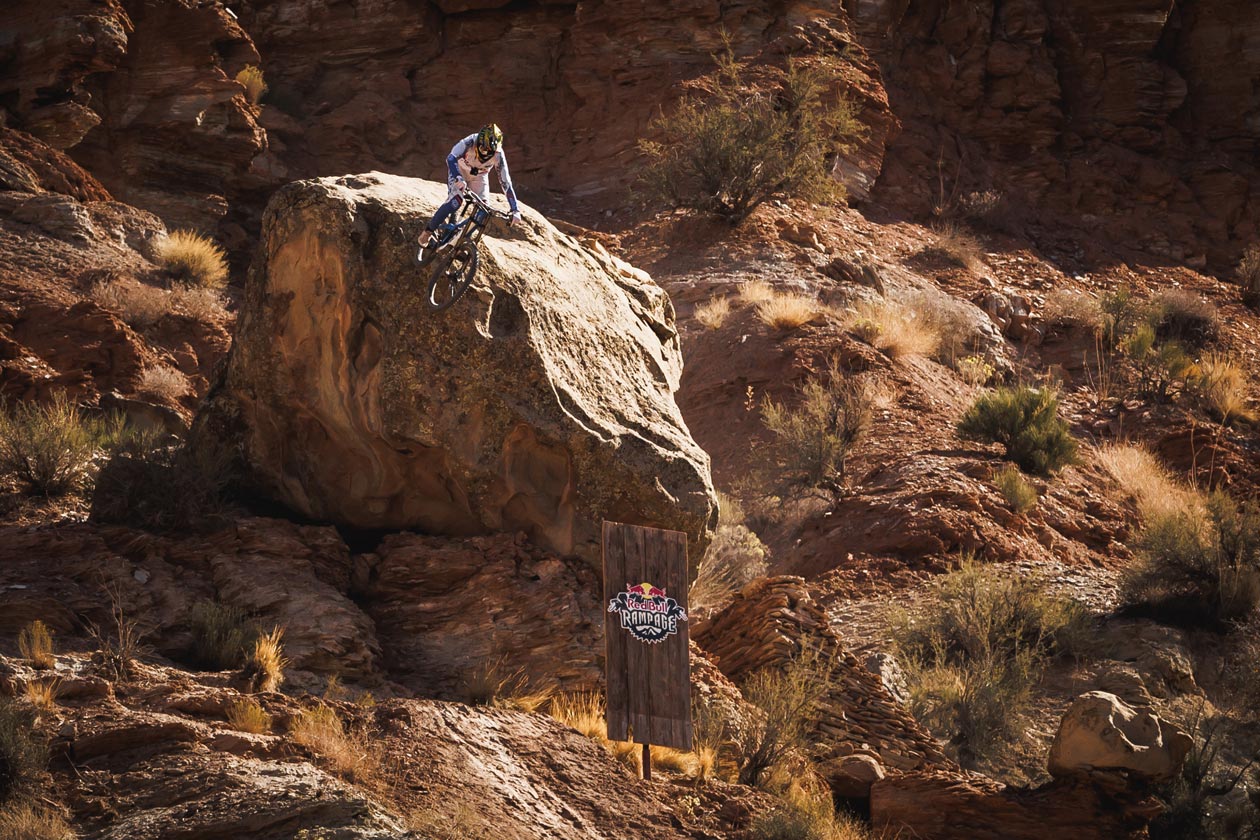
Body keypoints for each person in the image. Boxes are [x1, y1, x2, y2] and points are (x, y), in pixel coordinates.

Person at [417, 123, 521, 253]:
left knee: (484, 211)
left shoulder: (498, 155)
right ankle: (427, 233)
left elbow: (506, 182)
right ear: (480, 141)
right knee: (456, 201)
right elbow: (451, 158)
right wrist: (458, 178)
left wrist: (515, 209)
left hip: (479, 177)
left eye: (490, 150)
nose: (486, 152)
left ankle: (460, 238)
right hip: (459, 171)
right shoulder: (470, 141)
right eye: (484, 148)